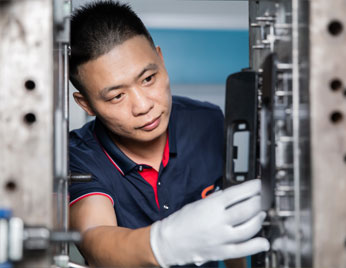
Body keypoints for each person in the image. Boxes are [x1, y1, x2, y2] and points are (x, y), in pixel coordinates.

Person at [68, 1, 269, 267]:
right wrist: (162, 244)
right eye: (117, 96)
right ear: (86, 104)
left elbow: (234, 219)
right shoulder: (79, 155)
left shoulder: (207, 121)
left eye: (148, 79)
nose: (143, 106)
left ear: (161, 60)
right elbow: (95, 239)